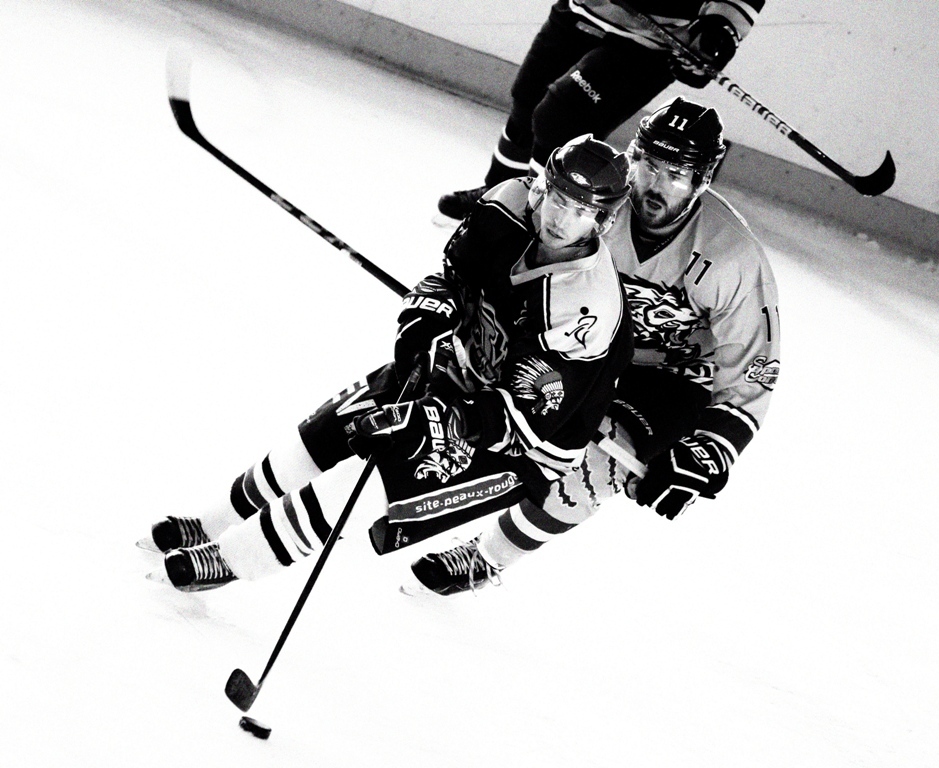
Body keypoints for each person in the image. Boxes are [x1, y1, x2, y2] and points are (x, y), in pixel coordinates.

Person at [143, 134, 636, 592]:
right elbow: (449, 279)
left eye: (580, 210)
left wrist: (432, 418)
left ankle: (229, 559)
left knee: (368, 480)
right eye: (558, 198)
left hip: (518, 441)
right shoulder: (506, 203)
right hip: (455, 368)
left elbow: (523, 420)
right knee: (324, 433)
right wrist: (424, 326)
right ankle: (211, 522)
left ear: (603, 222)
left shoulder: (586, 308)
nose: (560, 218)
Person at [409, 96, 780, 596]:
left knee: (594, 468)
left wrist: (710, 449)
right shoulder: (596, 196)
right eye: (649, 165)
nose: (655, 185)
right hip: (573, 339)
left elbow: (754, 365)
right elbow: (522, 225)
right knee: (476, 396)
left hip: (666, 376)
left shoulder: (732, 256)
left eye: (676, 175)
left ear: (702, 180)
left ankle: (485, 557)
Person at [436, 0, 766, 222]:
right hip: (581, 11)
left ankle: (525, 218)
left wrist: (721, 29)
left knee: (559, 120)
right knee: (527, 101)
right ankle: (496, 196)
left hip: (651, 42)